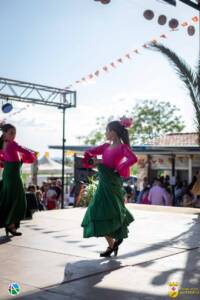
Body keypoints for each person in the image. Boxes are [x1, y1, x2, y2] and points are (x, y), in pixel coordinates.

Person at [81, 117, 138, 257]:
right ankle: (112, 245)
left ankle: (114, 243)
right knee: (96, 212)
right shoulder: (106, 146)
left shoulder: (123, 147)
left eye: (106, 130)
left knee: (109, 211)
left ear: (113, 132)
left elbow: (133, 159)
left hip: (113, 183)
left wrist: (120, 167)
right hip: (103, 182)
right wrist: (93, 160)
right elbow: (90, 151)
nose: (105, 133)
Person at [0, 123, 36, 236]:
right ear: (4, 133)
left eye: (15, 133)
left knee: (9, 199)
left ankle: (10, 226)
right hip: (13, 176)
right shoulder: (12, 144)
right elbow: (25, 151)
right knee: (18, 200)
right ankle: (10, 226)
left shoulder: (2, 144)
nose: (14, 135)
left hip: (8, 174)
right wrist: (31, 154)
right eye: (11, 133)